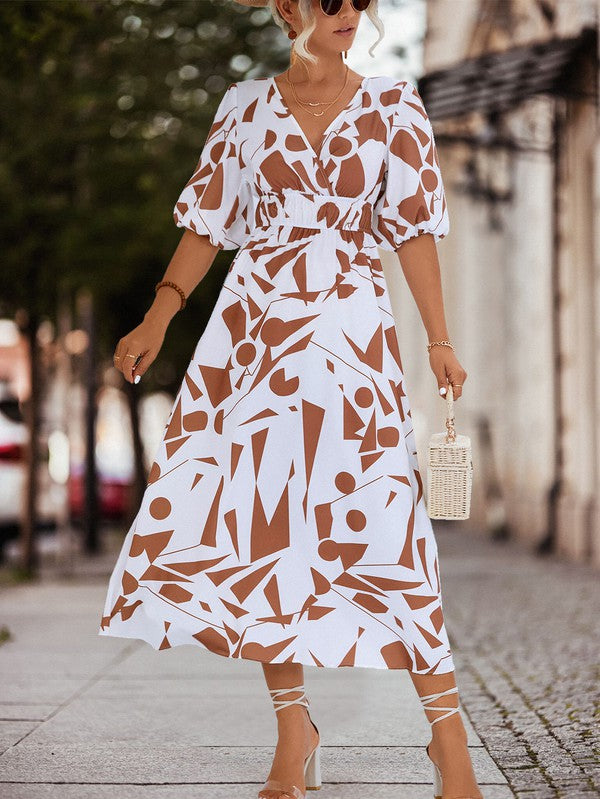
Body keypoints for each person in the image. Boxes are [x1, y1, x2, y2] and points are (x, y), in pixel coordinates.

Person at [101, 0, 479, 797]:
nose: (349, 13)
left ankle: (450, 742)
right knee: (262, 535)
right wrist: (157, 316)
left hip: (352, 340)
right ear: (287, 8)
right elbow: (207, 225)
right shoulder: (243, 108)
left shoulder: (392, 104)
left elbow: (411, 229)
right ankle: (292, 732)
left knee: (388, 529)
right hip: (255, 339)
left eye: (359, 2)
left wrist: (439, 339)